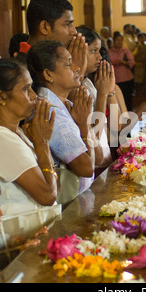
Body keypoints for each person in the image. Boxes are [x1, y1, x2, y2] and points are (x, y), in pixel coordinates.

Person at [0, 59, 61, 258]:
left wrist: (41, 145)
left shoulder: (16, 132)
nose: (34, 96)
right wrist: (43, 144)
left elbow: (55, 187)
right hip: (16, 243)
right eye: (26, 89)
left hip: (33, 236)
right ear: (2, 97)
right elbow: (48, 195)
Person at [27, 40, 97, 201]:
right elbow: (87, 168)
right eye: (68, 64)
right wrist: (84, 125)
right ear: (48, 74)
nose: (77, 68)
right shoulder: (50, 112)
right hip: (68, 204)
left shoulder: (62, 105)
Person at [16, 0, 87, 80]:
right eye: (67, 24)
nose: (74, 31)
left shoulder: (52, 60)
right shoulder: (22, 72)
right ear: (44, 27)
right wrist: (77, 72)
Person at [76, 25, 116, 175]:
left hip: (103, 157)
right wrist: (102, 94)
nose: (99, 56)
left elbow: (114, 126)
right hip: (94, 162)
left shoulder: (87, 82)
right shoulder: (77, 89)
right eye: (93, 51)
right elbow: (94, 135)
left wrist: (109, 92)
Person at [109, 31, 135, 111]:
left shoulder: (125, 51)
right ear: (114, 41)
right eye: (117, 40)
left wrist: (124, 62)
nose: (119, 42)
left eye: (121, 40)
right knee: (117, 100)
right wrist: (115, 62)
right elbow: (108, 62)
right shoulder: (110, 51)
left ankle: (129, 115)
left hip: (127, 78)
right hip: (116, 79)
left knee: (127, 99)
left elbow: (132, 62)